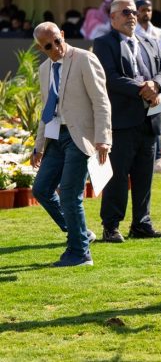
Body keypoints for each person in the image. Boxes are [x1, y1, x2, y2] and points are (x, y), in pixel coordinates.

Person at [31, 22, 112, 267]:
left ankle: (80, 253)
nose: (56, 48)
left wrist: (103, 139)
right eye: (48, 46)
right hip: (55, 138)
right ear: (41, 48)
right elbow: (47, 110)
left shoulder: (85, 59)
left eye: (57, 40)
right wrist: (39, 146)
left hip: (80, 137)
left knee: (69, 193)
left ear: (62, 35)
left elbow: (101, 101)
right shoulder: (44, 69)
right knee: (41, 190)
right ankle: (80, 232)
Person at [93, 0, 161, 243]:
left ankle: (141, 223)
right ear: (113, 17)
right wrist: (143, 88)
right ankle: (111, 226)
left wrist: (155, 85)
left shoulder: (150, 41)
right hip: (122, 121)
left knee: (144, 176)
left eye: (134, 12)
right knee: (117, 177)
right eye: (126, 12)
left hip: (149, 120)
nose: (132, 16)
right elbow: (109, 77)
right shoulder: (103, 43)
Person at [135, 0, 161, 175]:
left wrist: (153, 63)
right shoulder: (132, 32)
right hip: (139, 83)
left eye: (149, 10)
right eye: (143, 9)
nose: (146, 13)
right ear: (136, 11)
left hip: (157, 81)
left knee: (157, 120)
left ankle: (158, 159)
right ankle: (141, 158)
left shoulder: (158, 33)